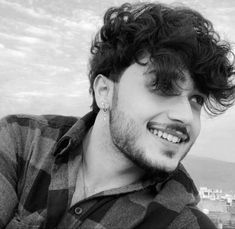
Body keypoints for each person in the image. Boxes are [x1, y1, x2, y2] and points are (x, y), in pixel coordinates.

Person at [0, 2, 234, 229]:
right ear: (105, 91)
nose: (186, 116)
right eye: (163, 86)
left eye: (197, 99)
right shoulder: (22, 141)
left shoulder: (181, 222)